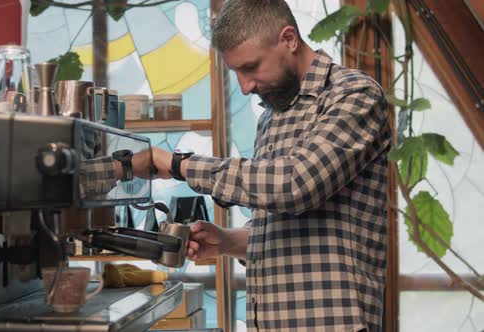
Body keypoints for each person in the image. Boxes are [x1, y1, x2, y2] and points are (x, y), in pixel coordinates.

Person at [112, 0, 391, 330]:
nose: (245, 87)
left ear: (288, 39)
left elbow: (294, 185)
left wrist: (178, 164)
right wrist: (229, 242)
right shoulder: (273, 115)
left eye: (251, 67)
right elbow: (300, 231)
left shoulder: (353, 96)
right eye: (236, 73)